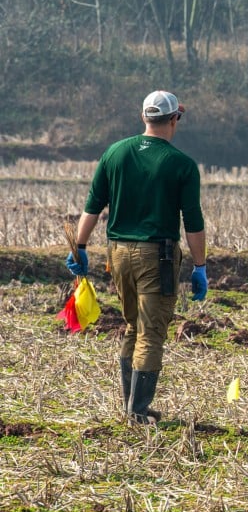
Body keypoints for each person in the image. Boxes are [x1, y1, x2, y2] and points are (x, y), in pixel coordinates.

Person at [65, 90, 208, 424]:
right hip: (156, 255)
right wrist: (200, 266)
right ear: (175, 120)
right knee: (152, 332)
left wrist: (81, 247)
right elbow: (194, 222)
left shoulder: (114, 152)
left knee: (133, 326)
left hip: (118, 253)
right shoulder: (182, 165)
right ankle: (138, 412)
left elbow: (92, 207)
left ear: (143, 116)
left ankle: (130, 406)